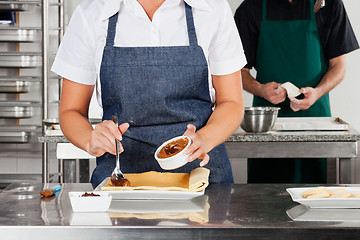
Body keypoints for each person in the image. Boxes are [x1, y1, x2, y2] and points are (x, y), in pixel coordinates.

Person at [52, 0, 246, 188]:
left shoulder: (212, 9)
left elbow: (231, 102)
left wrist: (204, 139)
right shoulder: (91, 14)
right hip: (120, 180)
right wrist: (90, 140)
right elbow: (71, 110)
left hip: (200, 179)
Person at [235, 0, 359, 183]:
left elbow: (339, 66)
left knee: (315, 193)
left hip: (316, 123)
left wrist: (317, 92)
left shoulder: (329, 5)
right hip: (266, 125)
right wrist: (260, 89)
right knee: (265, 200)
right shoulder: (251, 8)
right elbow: (239, 72)